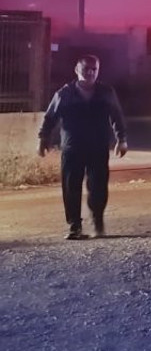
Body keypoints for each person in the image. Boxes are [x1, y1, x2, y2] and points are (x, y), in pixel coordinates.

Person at [37, 55, 128, 240]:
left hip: (98, 146)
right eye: (86, 69)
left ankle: (98, 222)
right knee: (71, 187)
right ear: (77, 70)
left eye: (94, 69)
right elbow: (50, 117)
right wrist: (43, 139)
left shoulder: (105, 92)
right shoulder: (65, 94)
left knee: (98, 187)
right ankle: (74, 226)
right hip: (73, 147)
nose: (90, 73)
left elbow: (116, 116)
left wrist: (122, 139)